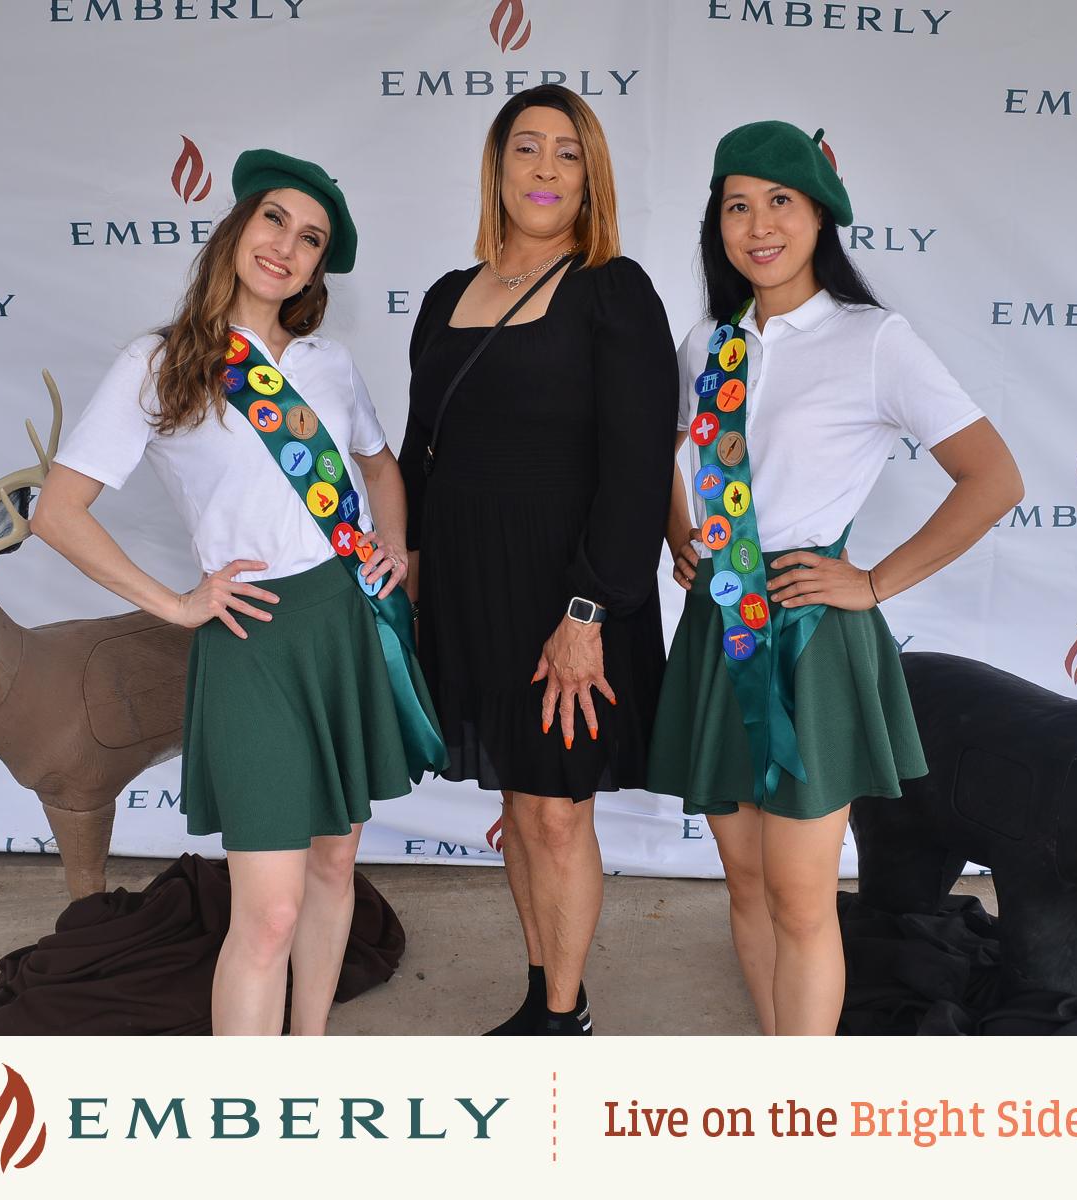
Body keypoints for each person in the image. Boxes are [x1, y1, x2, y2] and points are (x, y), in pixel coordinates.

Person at [30, 150, 444, 1036]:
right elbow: (58, 512)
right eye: (275, 221)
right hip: (253, 640)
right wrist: (177, 604)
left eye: (311, 239)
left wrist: (395, 545)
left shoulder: (329, 364)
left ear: (318, 268)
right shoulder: (162, 361)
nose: (287, 247)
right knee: (269, 912)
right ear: (237, 227)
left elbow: (378, 464)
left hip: (345, 624)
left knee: (335, 870)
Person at [648, 121, 1024, 1036]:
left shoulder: (872, 339)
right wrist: (679, 532)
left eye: (780, 201)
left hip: (810, 639)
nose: (758, 223)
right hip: (717, 627)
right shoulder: (710, 344)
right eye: (737, 204)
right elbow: (677, 458)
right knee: (743, 883)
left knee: (803, 897)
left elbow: (995, 478)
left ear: (821, 217)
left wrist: (875, 581)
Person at [398, 85, 678, 1035]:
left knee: (558, 812)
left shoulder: (614, 290)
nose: (547, 169)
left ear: (591, 175)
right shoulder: (445, 295)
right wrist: (413, 575)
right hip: (474, 588)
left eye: (569, 152)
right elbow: (415, 450)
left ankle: (565, 1018)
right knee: (520, 804)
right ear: (498, 165)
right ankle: (538, 989)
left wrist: (590, 611)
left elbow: (640, 467)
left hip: (572, 591)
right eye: (528, 148)